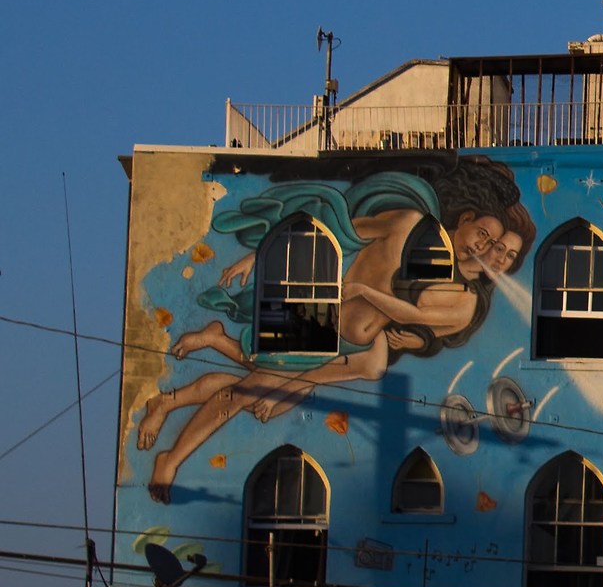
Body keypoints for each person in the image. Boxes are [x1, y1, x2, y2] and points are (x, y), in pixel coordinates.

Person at [137, 159, 535, 499]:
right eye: (483, 235)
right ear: (464, 217)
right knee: (248, 388)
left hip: (340, 341)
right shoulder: (408, 223)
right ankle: (170, 456)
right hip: (316, 317)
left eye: (494, 247)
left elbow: (410, 325)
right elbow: (334, 230)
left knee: (252, 380)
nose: (483, 249)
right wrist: (257, 255)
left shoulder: (453, 288)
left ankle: (170, 402)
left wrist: (303, 384)